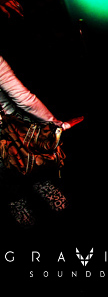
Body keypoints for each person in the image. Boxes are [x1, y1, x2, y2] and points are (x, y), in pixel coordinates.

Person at [0, 55, 79, 229]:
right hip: (16, 136)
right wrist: (58, 125)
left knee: (14, 197)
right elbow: (24, 99)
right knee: (42, 181)